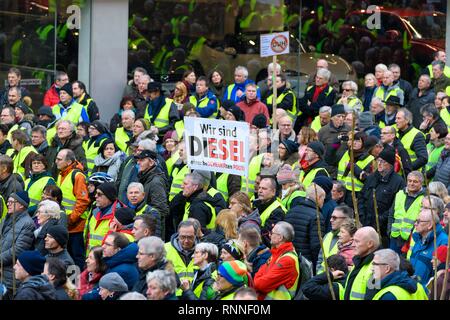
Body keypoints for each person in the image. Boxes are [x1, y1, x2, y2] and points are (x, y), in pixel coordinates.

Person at [358, 147, 405, 245]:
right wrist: (361, 215)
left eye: (383, 162)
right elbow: (362, 196)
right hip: (365, 222)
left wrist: (380, 219)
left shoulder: (398, 182)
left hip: (383, 228)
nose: (379, 164)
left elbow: (396, 206)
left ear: (390, 164)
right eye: (378, 160)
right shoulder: (371, 177)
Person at [55, 149, 90, 270]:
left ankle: (76, 286)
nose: (56, 161)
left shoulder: (77, 176)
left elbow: (83, 201)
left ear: (69, 161)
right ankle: (68, 285)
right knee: (67, 259)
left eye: (59, 159)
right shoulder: (62, 174)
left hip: (76, 226)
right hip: (65, 225)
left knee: (76, 259)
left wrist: (70, 219)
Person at [0, 192, 35, 299]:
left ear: (21, 205)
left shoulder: (27, 223)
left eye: (11, 202)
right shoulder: (7, 218)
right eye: (8, 201)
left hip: (11, 274)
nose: (8, 204)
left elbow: (19, 249)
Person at [254, 221, 299, 300]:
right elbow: (260, 272)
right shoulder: (277, 253)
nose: (269, 234)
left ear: (280, 238)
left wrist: (258, 279)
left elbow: (261, 285)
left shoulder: (287, 260)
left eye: (272, 233)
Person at [285, 183, 324, 266]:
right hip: (305, 263)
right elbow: (316, 245)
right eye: (323, 200)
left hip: (289, 258)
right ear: (319, 198)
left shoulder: (290, 211)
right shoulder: (317, 216)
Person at [388, 171, 425, 254]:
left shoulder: (424, 198)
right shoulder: (399, 194)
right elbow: (391, 214)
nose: (411, 184)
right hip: (394, 236)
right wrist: (389, 231)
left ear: (421, 183)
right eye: (409, 181)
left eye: (415, 181)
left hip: (411, 240)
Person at [409, 208, 448, 285]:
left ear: (430, 225)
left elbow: (441, 274)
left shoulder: (444, 241)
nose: (415, 224)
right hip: (413, 288)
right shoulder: (419, 238)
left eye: (418, 221)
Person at [135, 150, 169, 236]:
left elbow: (160, 209)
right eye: (138, 160)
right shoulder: (146, 177)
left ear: (151, 162)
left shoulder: (156, 181)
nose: (138, 163)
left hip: (151, 230)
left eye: (142, 160)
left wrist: (150, 229)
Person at [341, 227, 380, 300]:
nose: (352, 245)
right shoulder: (358, 261)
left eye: (357, 241)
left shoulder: (376, 268)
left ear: (370, 244)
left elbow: (372, 296)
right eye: (353, 241)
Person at [84, 182, 124, 253]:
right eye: (96, 193)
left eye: (99, 194)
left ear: (109, 196)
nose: (95, 196)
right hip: (92, 257)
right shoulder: (95, 211)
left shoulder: (118, 216)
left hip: (105, 259)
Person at [337, 131, 373, 206]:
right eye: (353, 140)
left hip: (358, 195)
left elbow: (368, 180)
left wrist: (353, 167)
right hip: (342, 192)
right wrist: (336, 141)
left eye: (358, 141)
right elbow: (329, 156)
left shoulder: (370, 159)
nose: (354, 143)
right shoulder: (346, 153)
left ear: (364, 143)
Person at [316, 205, 354, 274]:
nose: (331, 220)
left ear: (346, 219)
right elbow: (320, 259)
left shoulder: (351, 241)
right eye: (331, 217)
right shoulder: (327, 235)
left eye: (334, 218)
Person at [164, 220, 197, 296]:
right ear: (178, 235)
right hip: (172, 296)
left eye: (190, 237)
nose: (186, 241)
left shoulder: (203, 250)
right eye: (182, 237)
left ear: (195, 236)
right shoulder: (165, 249)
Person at [318, 104, 351, 176]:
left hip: (343, 169)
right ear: (332, 117)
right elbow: (319, 151)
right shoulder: (323, 131)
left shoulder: (349, 130)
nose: (341, 119)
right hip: (327, 168)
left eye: (343, 116)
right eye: (338, 116)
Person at [253, 177, 286, 246]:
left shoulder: (278, 211)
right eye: (259, 188)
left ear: (273, 192)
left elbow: (268, 237)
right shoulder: (257, 204)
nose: (260, 191)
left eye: (264, 188)